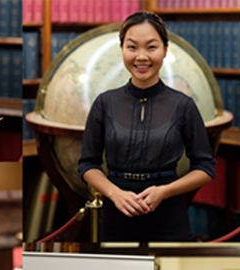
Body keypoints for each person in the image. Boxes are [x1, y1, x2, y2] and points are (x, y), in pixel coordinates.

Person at [78, 11, 216, 241]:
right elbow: (87, 165)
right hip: (116, 215)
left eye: (151, 47)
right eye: (132, 47)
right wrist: (115, 193)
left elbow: (205, 168)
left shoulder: (183, 105)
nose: (141, 57)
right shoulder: (105, 103)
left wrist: (163, 191)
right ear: (122, 50)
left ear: (165, 50)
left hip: (168, 215)